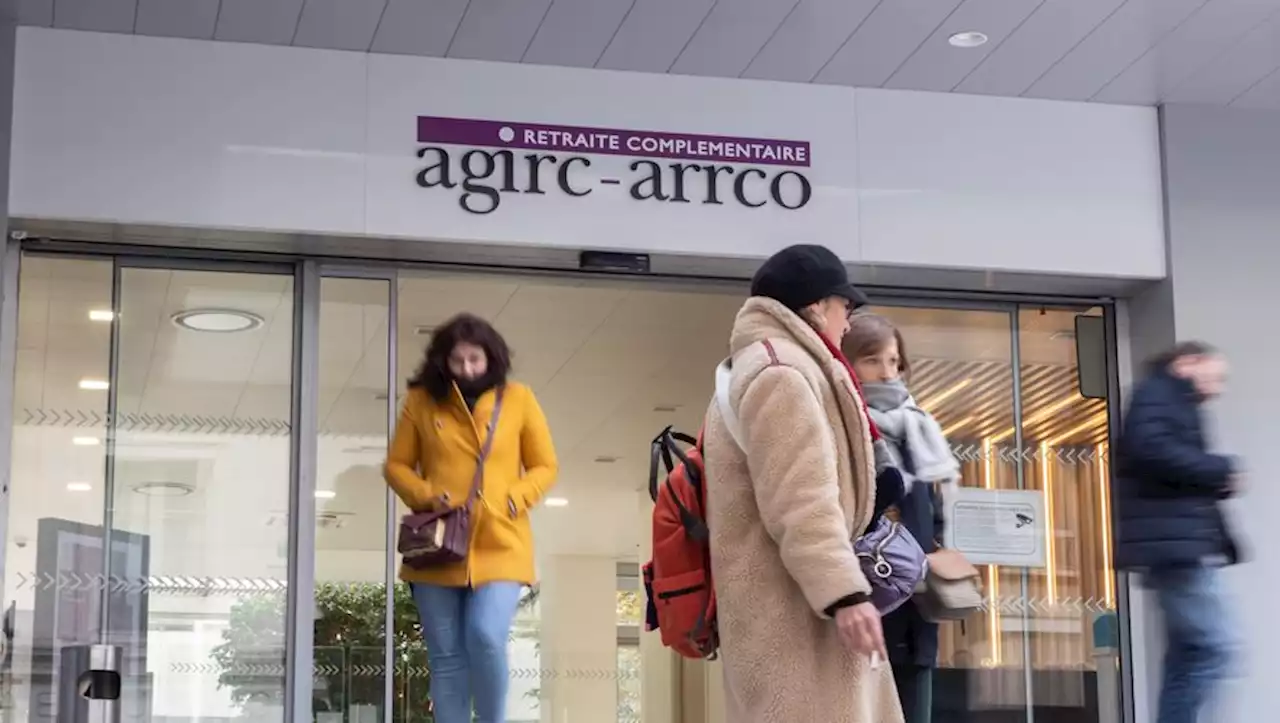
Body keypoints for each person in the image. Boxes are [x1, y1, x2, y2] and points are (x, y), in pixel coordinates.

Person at [705, 244, 904, 723]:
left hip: (787, 609)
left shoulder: (758, 368)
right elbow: (801, 500)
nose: (849, 322)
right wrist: (846, 597)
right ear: (817, 307)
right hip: (795, 619)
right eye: (846, 307)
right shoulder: (782, 375)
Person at [385, 313, 558, 723]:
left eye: (475, 360)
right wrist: (427, 495)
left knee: (485, 636)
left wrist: (516, 498)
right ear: (442, 361)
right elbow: (396, 466)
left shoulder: (518, 399)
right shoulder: (421, 401)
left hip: (501, 541)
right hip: (437, 544)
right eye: (458, 361)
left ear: (491, 358)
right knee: (446, 656)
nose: (466, 370)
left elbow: (545, 465)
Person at [1113, 341, 1240, 723]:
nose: (1218, 387)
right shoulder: (1158, 394)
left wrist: (1215, 481)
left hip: (1176, 548)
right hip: (1175, 551)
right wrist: (1219, 468)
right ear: (1187, 363)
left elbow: (1165, 465)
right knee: (1214, 648)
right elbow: (1150, 449)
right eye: (1216, 376)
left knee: (1189, 653)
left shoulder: (1170, 400)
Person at [844, 313, 960, 723]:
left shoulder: (917, 426)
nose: (886, 372)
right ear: (848, 362)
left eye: (894, 361)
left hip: (918, 603)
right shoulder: (844, 425)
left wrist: (938, 553)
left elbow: (933, 509)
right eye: (872, 360)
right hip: (863, 598)